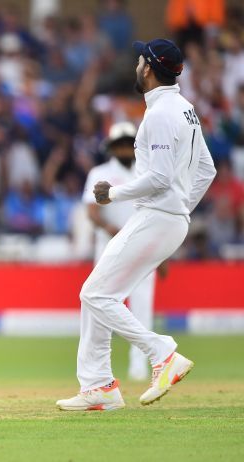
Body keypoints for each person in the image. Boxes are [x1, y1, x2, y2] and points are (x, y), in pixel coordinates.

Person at [57, 39, 217, 411]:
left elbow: (160, 178)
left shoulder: (161, 114)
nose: (136, 64)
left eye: (139, 59)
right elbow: (206, 170)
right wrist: (182, 207)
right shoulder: (185, 109)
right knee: (98, 293)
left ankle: (161, 353)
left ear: (148, 67)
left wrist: (114, 194)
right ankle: (99, 386)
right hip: (168, 217)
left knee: (94, 294)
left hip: (157, 215)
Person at [82, 121, 164, 382]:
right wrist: (111, 229)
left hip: (143, 250)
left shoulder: (147, 171)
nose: (126, 149)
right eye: (120, 144)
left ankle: (140, 367)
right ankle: (100, 372)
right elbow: (91, 211)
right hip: (109, 251)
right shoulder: (99, 172)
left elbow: (157, 213)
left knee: (142, 309)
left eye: (130, 143)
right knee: (101, 310)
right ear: (112, 148)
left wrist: (161, 252)